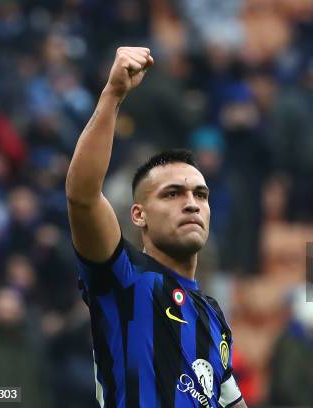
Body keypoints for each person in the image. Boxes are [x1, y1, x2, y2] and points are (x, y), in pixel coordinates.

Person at [65, 47, 245, 408]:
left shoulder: (212, 318)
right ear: (138, 215)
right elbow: (82, 197)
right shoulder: (124, 280)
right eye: (172, 194)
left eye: (201, 194)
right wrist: (113, 95)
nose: (192, 202)